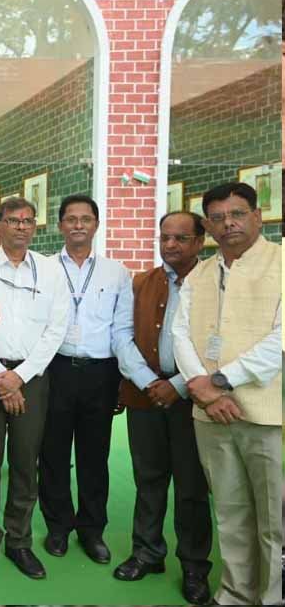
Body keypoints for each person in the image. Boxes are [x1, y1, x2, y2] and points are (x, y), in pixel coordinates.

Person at [173, 182, 282, 606]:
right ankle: (235, 594)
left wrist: (220, 381)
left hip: (267, 413)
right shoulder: (199, 274)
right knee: (230, 511)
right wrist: (204, 390)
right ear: (208, 225)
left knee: (274, 518)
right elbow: (181, 335)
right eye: (218, 218)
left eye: (237, 214)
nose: (228, 224)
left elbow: (280, 340)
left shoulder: (281, 262)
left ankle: (272, 598)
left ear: (258, 216)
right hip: (210, 414)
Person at [0, 197, 69, 580]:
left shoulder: (51, 271)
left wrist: (20, 377)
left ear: (35, 226)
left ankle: (19, 541)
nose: (21, 227)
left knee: (25, 462)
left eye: (28, 220)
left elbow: (56, 329)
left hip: (32, 379)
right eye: (13, 220)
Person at [112, 211, 211, 605]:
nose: (170, 245)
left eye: (181, 238)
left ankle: (194, 566)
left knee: (191, 486)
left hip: (194, 398)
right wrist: (147, 381)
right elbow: (121, 336)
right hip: (145, 395)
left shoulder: (212, 282)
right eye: (165, 237)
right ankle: (147, 553)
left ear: (200, 242)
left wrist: (178, 385)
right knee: (149, 479)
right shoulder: (141, 282)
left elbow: (219, 342)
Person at [37, 194, 132, 566]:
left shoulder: (116, 273)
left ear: (96, 224)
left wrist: (122, 378)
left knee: (95, 456)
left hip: (100, 373)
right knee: (53, 454)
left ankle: (92, 531)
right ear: (60, 225)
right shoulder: (44, 269)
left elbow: (122, 329)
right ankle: (58, 527)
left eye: (86, 218)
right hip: (55, 369)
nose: (78, 225)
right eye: (71, 219)